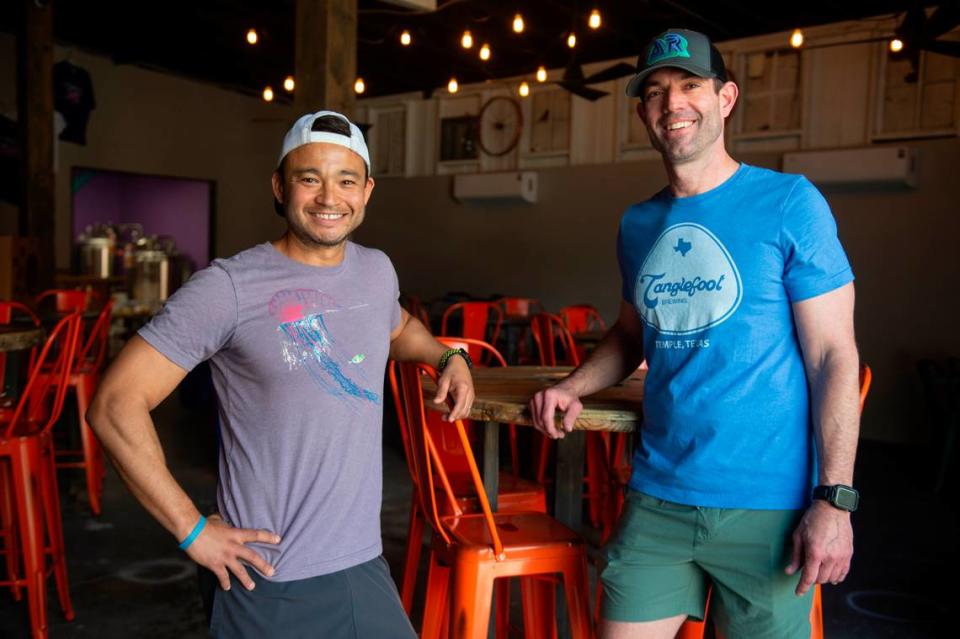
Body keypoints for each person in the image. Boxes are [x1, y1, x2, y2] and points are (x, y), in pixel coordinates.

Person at [88, 110, 475, 638]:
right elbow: (115, 403)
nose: (328, 197)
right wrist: (191, 528)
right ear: (280, 185)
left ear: (366, 191)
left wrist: (446, 357)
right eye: (309, 178)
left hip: (361, 562)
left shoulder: (376, 270)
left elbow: (397, 326)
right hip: (270, 576)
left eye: (345, 180)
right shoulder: (229, 287)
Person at [529, 29, 861, 639]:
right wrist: (573, 384)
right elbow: (631, 335)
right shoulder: (638, 223)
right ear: (643, 113)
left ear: (725, 98)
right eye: (655, 92)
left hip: (770, 503)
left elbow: (833, 357)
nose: (672, 103)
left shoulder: (790, 202)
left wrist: (833, 500)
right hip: (660, 493)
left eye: (688, 85)